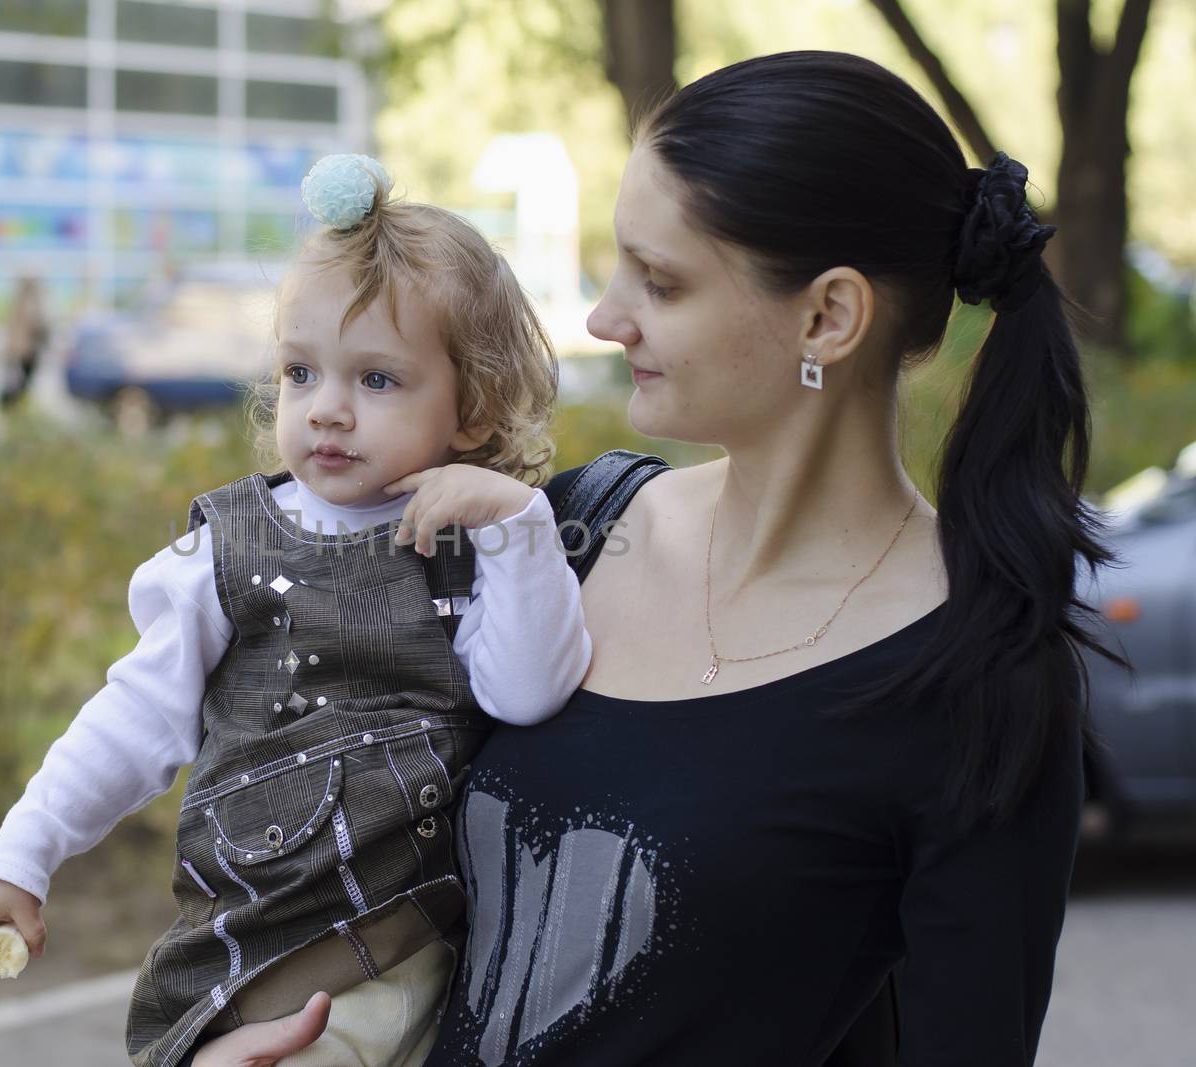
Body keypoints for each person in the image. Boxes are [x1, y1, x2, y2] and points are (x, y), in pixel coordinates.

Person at [193, 51, 1124, 1067]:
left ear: (828, 316)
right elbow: (337, 828)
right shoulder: (561, 530)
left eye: (661, 281)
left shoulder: (978, 678)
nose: (603, 316)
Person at [0, 155, 587, 1067]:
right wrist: (22, 853)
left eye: (376, 380)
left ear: (474, 407)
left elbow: (529, 694)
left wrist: (520, 525)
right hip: (273, 977)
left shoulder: (484, 545)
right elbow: (133, 718)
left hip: (441, 968)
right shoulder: (227, 546)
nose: (326, 410)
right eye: (301, 371)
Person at [0, 275, 48, 408]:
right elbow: (40, 327)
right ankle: (16, 409)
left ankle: (14, 409)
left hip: (16, 352)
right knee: (20, 386)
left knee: (16, 385)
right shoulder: (32, 304)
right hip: (26, 353)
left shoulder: (16, 302)